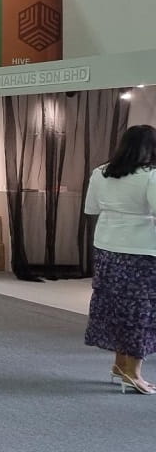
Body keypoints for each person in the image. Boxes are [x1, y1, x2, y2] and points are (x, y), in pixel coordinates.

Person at [83, 124, 156, 395]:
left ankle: (119, 366)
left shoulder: (101, 172)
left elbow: (91, 208)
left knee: (115, 306)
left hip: (106, 247)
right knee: (140, 311)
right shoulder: (151, 175)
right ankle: (133, 374)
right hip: (141, 250)